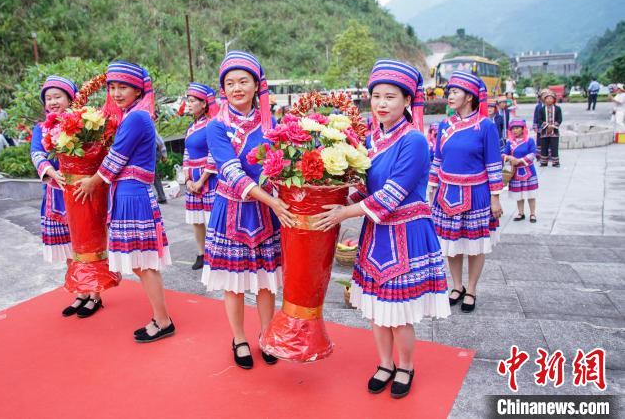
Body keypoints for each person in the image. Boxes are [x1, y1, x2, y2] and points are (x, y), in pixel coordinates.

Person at [313, 60, 450, 399]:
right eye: (376, 96)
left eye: (391, 96)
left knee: (400, 313)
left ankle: (405, 366)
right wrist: (332, 193)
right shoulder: (371, 140)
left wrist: (344, 212)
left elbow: (391, 195)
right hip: (377, 234)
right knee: (376, 309)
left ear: (407, 101)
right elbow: (369, 189)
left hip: (406, 234)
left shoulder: (414, 141)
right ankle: (385, 362)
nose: (382, 103)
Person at [202, 51, 296, 369]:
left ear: (257, 85)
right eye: (230, 83)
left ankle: (267, 334)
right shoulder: (216, 128)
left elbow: (285, 166)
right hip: (232, 211)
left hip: (267, 213)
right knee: (235, 282)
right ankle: (239, 337)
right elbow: (231, 171)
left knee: (267, 280)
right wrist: (272, 201)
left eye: (244, 81)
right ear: (223, 89)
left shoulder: (274, 124)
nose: (237, 88)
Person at [74, 61, 175, 342]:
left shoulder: (136, 118)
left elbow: (116, 157)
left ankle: (163, 320)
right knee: (141, 263)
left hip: (132, 194)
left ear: (137, 89)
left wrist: (92, 182)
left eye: (123, 87)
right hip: (128, 193)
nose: (117, 93)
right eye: (113, 87)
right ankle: (161, 317)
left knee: (143, 263)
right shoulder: (134, 115)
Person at [428, 71, 503, 314]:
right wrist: (431, 188)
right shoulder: (444, 125)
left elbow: (493, 163)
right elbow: (438, 159)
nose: (449, 96)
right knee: (451, 244)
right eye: (449, 91)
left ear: (469, 96)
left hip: (477, 194)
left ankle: (471, 289)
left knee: (475, 246)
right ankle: (456, 286)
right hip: (447, 193)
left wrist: (495, 197)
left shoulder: (485, 126)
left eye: (455, 92)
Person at [30, 75, 85, 316]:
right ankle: (80, 292)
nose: (52, 102)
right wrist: (51, 171)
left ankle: (94, 293)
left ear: (70, 99)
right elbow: (36, 153)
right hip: (56, 194)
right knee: (68, 250)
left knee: (86, 246)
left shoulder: (84, 125)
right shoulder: (41, 129)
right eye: (48, 98)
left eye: (57, 97)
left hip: (81, 193)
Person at [182, 82, 218, 271]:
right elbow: (186, 153)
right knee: (197, 219)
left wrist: (201, 180)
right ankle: (201, 253)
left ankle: (215, 253)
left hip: (210, 177)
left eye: (192, 100)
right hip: (193, 179)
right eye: (187, 100)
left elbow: (214, 153)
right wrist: (188, 180)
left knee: (211, 218)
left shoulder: (212, 124)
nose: (188, 104)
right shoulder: (191, 126)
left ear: (204, 104)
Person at [502, 120, 538, 223]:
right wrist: (509, 157)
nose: (515, 130)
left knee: (531, 194)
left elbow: (533, 154)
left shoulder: (529, 141)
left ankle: (532, 214)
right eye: (513, 128)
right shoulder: (510, 142)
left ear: (523, 129)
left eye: (517, 128)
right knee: (519, 194)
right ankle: (520, 213)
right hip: (515, 172)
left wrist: (520, 160)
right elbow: (504, 154)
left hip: (528, 171)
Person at [536, 90, 562, 167]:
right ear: (544, 99)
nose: (549, 100)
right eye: (548, 98)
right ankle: (543, 162)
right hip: (544, 131)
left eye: (551, 98)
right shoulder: (541, 109)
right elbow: (539, 120)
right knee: (544, 147)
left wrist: (553, 126)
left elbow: (559, 119)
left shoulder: (558, 108)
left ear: (554, 99)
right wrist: (547, 126)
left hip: (554, 131)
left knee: (554, 147)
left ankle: (555, 162)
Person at [153, 129, 167, 204]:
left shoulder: (148, 124)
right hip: (152, 153)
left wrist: (164, 154)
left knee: (154, 176)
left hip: (154, 152)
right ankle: (161, 196)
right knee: (154, 176)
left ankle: (162, 197)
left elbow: (160, 142)